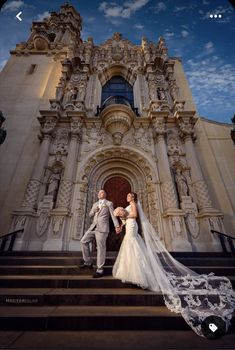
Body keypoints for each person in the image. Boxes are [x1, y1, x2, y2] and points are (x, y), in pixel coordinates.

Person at [113, 192, 235, 337]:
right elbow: (127, 218)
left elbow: (134, 215)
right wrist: (121, 223)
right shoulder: (128, 206)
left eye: (129, 196)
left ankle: (140, 274)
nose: (127, 198)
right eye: (126, 196)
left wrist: (124, 215)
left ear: (133, 197)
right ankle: (131, 272)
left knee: (133, 246)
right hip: (129, 226)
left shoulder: (133, 205)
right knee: (130, 247)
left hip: (133, 227)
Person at [80, 190, 120, 278]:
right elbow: (90, 215)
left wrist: (117, 226)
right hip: (93, 227)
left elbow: (113, 216)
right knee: (83, 241)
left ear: (105, 195)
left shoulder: (109, 204)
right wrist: (94, 210)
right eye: (98, 193)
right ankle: (88, 262)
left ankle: (100, 269)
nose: (99, 194)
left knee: (101, 248)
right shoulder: (95, 204)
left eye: (101, 193)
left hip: (102, 229)